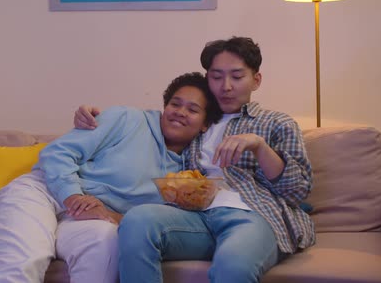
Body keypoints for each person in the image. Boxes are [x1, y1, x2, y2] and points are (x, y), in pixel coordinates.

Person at [73, 36, 315, 282]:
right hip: (194, 217)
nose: (226, 86)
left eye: (237, 77)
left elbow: (297, 192)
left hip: (251, 215)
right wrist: (95, 120)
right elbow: (139, 128)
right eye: (216, 77)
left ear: (256, 80)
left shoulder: (277, 123)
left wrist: (259, 146)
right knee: (139, 219)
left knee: (232, 266)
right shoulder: (192, 120)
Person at [0, 72, 222, 283]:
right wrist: (74, 196)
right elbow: (58, 153)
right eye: (174, 104)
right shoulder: (127, 119)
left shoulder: (193, 171)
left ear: (205, 124)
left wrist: (110, 216)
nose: (179, 113)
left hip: (92, 219)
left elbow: (154, 223)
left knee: (105, 244)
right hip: (43, 194)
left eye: (192, 110)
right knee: (25, 262)